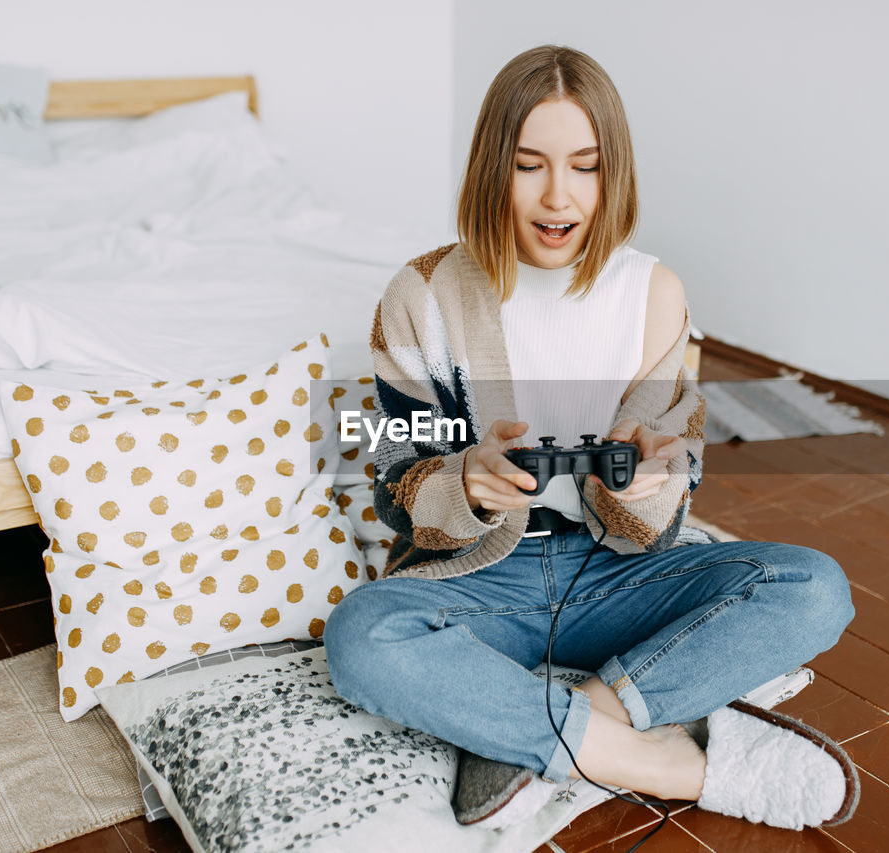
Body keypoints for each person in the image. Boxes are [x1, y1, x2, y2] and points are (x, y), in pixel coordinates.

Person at [324, 45, 858, 832]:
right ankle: (675, 764)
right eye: (529, 164)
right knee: (361, 635)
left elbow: (678, 481)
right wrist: (467, 479)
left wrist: (645, 485)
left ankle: (553, 725)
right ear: (491, 168)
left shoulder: (654, 295)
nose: (557, 195)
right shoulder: (422, 295)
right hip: (480, 583)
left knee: (815, 588)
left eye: (585, 166)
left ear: (615, 174)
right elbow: (396, 481)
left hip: (616, 576)